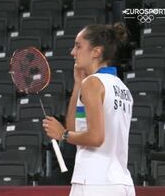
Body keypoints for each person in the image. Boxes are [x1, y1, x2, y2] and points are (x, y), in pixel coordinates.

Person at [43, 23, 135, 196]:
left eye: (78, 46)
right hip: (121, 183)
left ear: (96, 52)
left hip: (95, 182)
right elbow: (76, 128)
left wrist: (62, 134)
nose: (73, 52)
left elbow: (96, 137)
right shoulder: (122, 88)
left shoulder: (93, 83)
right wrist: (78, 84)